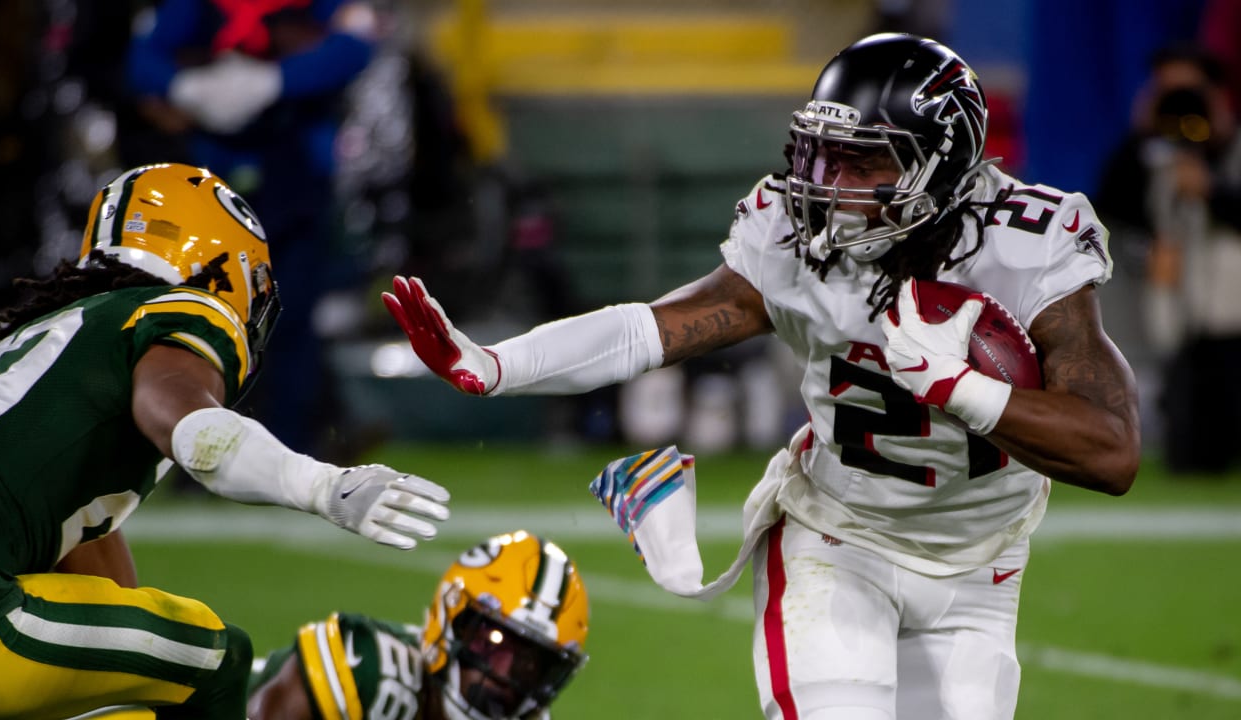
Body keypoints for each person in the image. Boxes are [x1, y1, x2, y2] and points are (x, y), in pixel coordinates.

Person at [383, 33, 1140, 720]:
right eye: (826, 156)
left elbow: (1111, 453)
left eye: (864, 161)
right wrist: (498, 362)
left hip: (982, 568)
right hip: (837, 541)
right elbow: (653, 327)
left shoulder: (1029, 248)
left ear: (937, 165)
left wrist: (959, 389)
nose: (830, 184)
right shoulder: (797, 235)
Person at [0, 162, 450, 718]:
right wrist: (320, 484)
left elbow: (99, 573)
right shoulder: (183, 310)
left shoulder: (56, 343)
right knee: (217, 658)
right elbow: (182, 419)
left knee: (134, 690)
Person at [125, 0, 380, 456]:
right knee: (205, 318)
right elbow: (143, 60)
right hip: (213, 179)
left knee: (292, 317)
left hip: (295, 174)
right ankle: (200, 445)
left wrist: (275, 81)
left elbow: (355, 47)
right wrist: (187, 87)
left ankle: (288, 444)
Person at [70, 530, 590, 720]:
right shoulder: (371, 669)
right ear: (450, 620)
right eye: (493, 641)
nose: (503, 673)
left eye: (529, 661)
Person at [1095, 44, 1241, 474]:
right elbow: (1113, 201)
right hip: (1179, 308)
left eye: (1189, 91)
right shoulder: (1155, 151)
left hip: (1233, 310)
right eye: (1167, 89)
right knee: (1189, 444)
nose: (1180, 102)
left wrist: (1213, 191)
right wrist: (1142, 130)